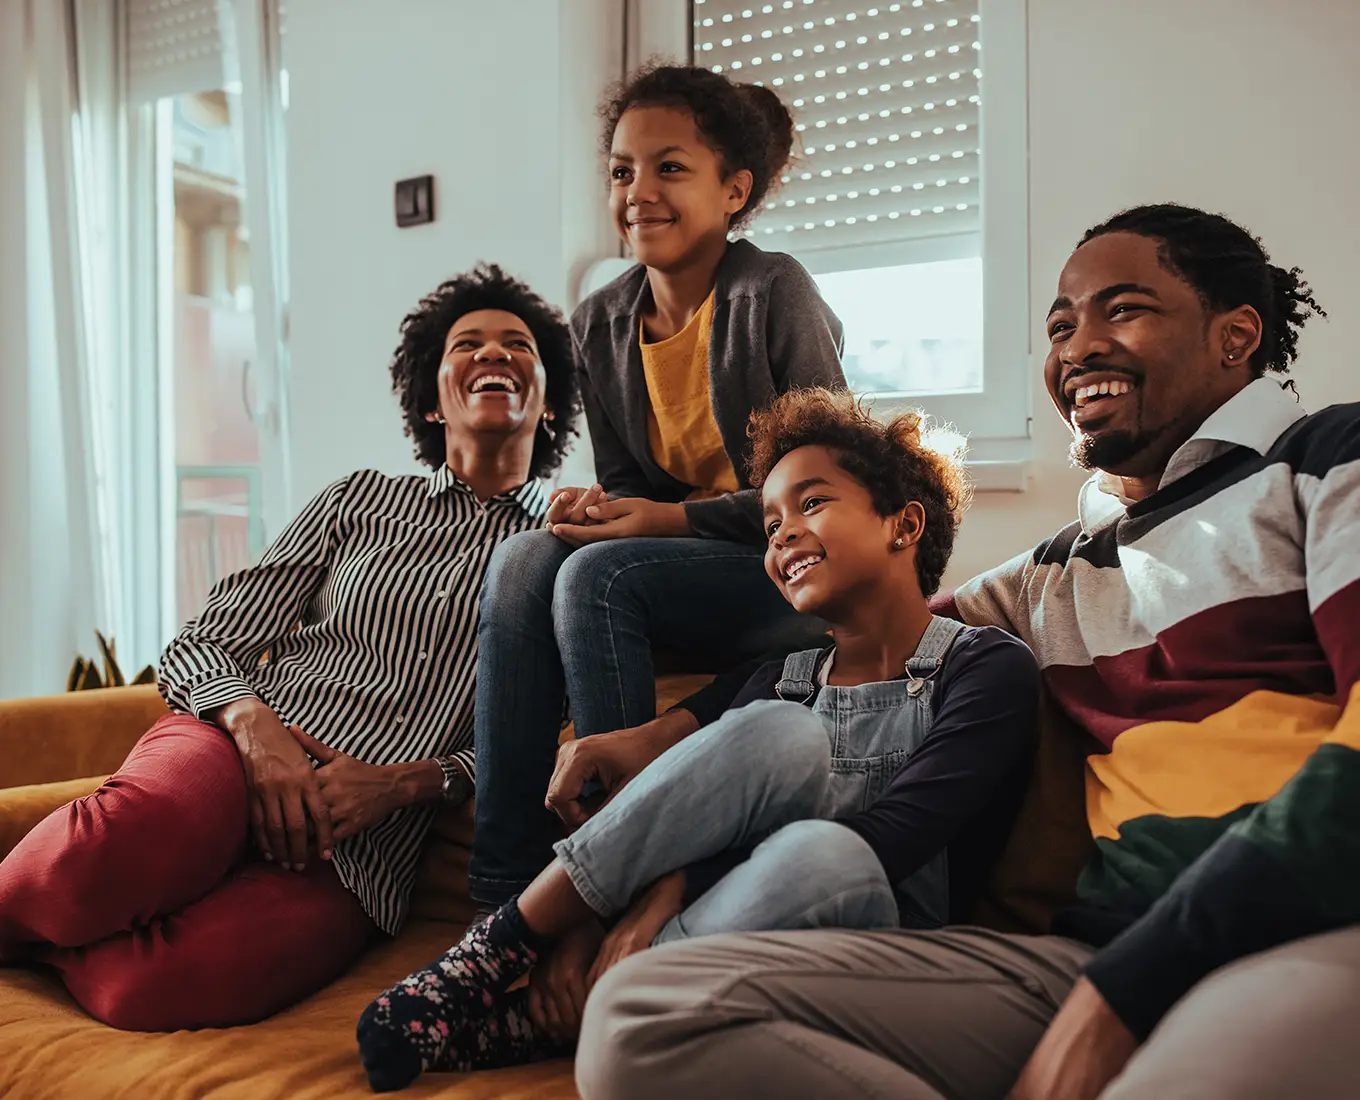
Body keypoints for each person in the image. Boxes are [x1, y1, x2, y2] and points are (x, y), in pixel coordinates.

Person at [574, 203, 1360, 1100]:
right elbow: (865, 637)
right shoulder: (1056, 570)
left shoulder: (1329, 459)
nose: (1077, 347)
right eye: (1061, 326)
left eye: (1124, 309)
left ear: (1236, 336)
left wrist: (1123, 995)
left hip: (1298, 929)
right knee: (641, 1016)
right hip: (1083, 962)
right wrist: (661, 742)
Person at [354, 388, 1041, 1091]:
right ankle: (498, 951)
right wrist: (630, 899)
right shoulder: (779, 681)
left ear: (904, 525)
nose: (783, 536)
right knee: (781, 731)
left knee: (826, 851)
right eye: (770, 524)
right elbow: (688, 802)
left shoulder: (986, 668)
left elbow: (895, 837)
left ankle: (567, 1006)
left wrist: (672, 893)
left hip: (879, 957)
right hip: (735, 940)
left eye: (811, 503)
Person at [0, 264, 581, 1031]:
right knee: (88, 864)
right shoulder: (361, 499)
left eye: (518, 345)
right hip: (234, 752)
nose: (493, 354)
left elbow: (543, 740)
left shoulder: (568, 548)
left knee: (152, 989)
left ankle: (44, 949)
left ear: (549, 404)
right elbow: (205, 641)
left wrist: (404, 785)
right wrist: (254, 731)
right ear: (433, 403)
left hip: (359, 847)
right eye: (466, 344)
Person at [469, 64, 847, 911]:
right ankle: (500, 891)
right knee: (528, 558)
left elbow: (829, 494)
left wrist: (667, 517)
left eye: (670, 167)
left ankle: (615, 873)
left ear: (733, 189)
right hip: (689, 575)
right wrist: (596, 508)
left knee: (599, 576)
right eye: (621, 170)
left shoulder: (773, 291)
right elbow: (629, 485)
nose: (639, 190)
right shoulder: (598, 321)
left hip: (792, 574)